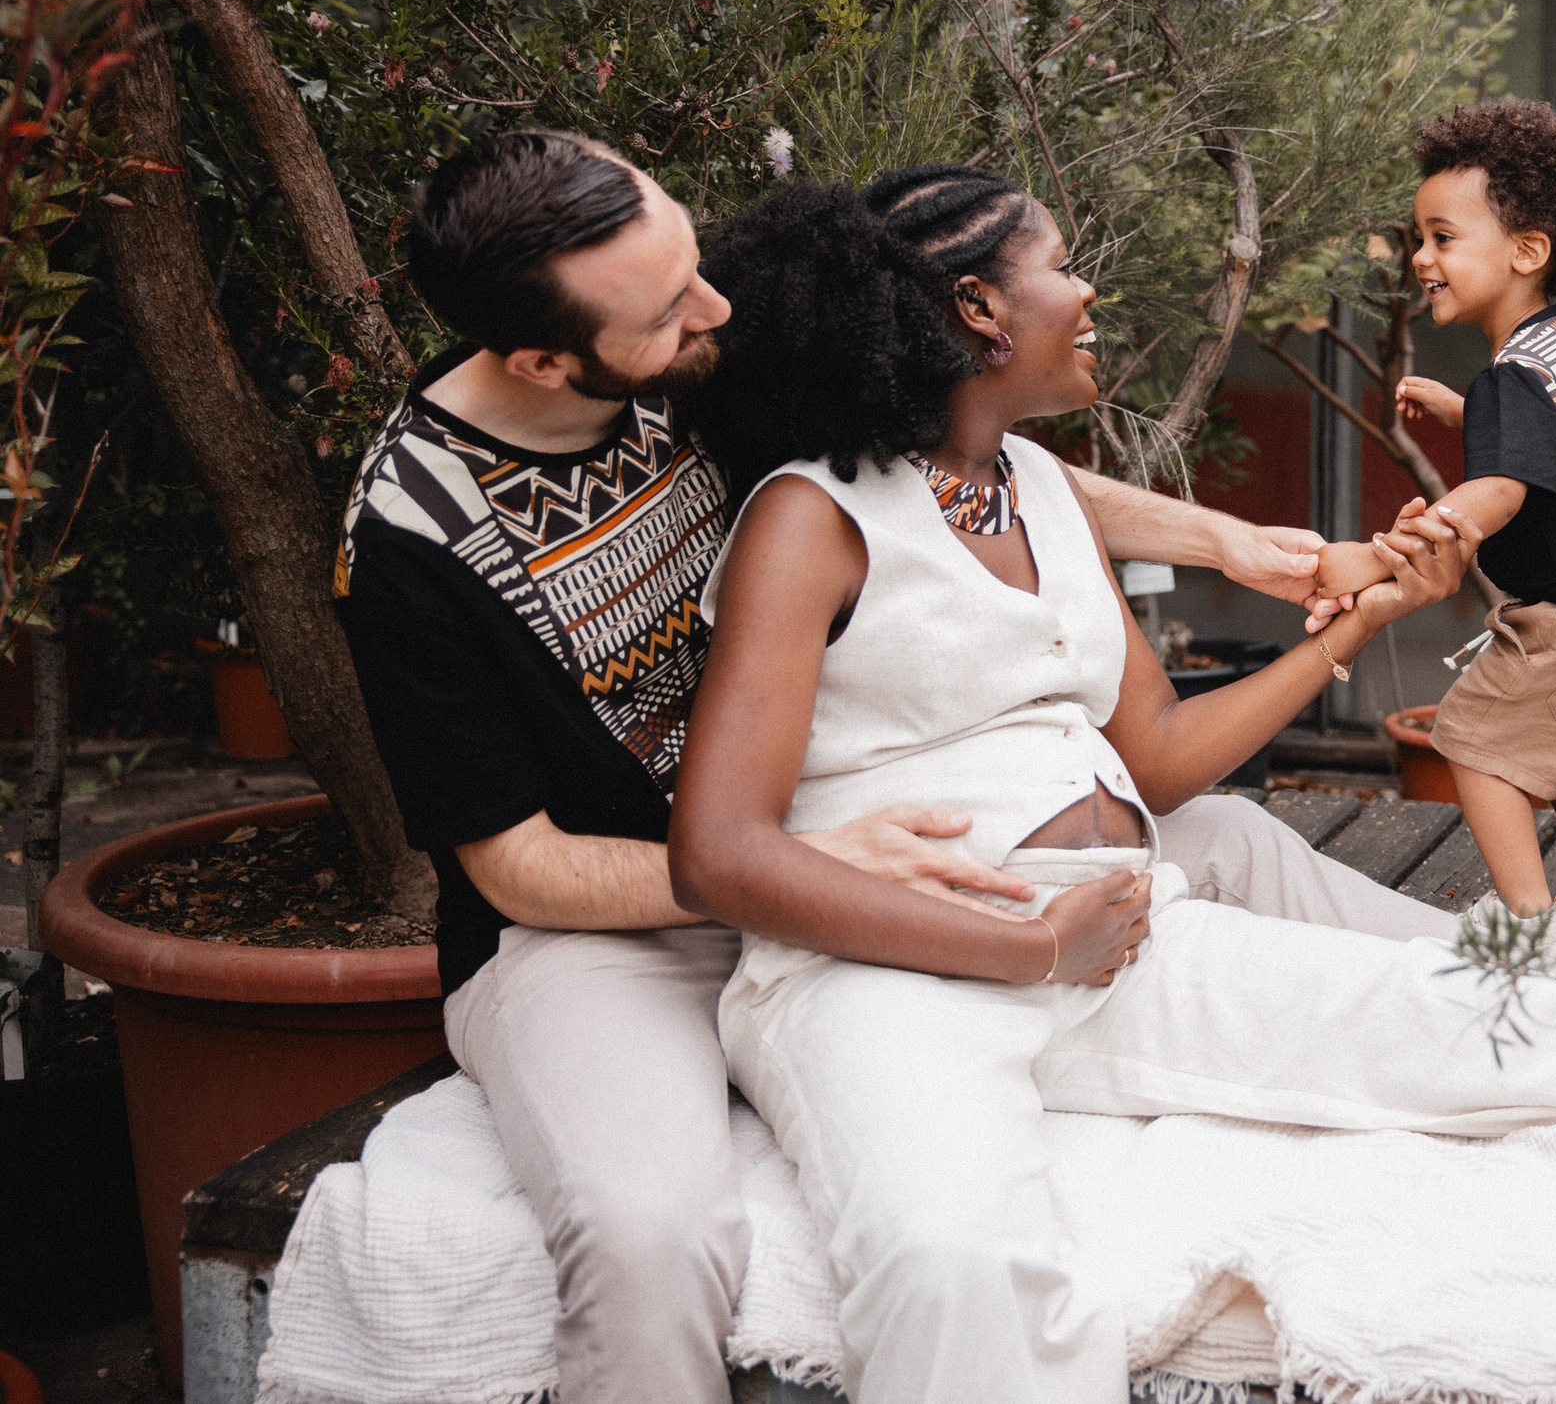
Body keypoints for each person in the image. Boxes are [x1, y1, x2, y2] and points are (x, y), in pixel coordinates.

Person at [667, 165, 1556, 1404]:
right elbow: (720, 849)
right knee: (953, 1258)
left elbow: (1155, 758)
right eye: (1060, 262)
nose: (1087, 289)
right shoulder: (815, 515)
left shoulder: (1033, 483)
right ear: (978, 309)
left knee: (1473, 1026)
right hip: (884, 973)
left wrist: (1351, 626)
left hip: (1116, 930)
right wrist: (1024, 939)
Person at [336, 129, 1462, 1404]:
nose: (716, 308)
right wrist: (789, 866)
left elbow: (958, 462)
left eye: (697, 264)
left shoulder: (679, 360)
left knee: (1240, 847)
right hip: (606, 932)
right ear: (542, 357)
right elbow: (521, 867)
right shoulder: (413, 537)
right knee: (650, 1237)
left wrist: (1236, 546)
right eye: (671, 305)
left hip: (826, 842)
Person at [1319, 99, 1556, 980]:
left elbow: (1505, 485)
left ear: (1526, 251)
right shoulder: (1555, 349)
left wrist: (1385, 556)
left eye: (1443, 238)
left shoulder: (1513, 379)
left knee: (1472, 741)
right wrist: (1466, 410)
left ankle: (1527, 933)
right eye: (1419, 237)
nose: (1422, 258)